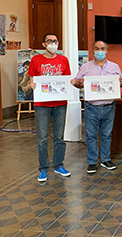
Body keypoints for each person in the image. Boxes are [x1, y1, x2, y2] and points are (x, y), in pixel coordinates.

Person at [71, 41, 122, 174]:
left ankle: (106, 159)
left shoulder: (114, 66)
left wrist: (121, 82)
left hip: (109, 106)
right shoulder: (85, 67)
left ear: (106, 50)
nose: (99, 51)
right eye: (97, 49)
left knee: (106, 135)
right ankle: (92, 162)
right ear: (92, 50)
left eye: (102, 49)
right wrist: (78, 83)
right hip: (91, 107)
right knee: (91, 136)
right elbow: (77, 83)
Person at [28, 33, 72, 182]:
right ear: (44, 44)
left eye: (55, 41)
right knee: (42, 138)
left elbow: (67, 80)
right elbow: (31, 80)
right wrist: (31, 85)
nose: (53, 43)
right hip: (42, 104)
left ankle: (58, 165)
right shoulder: (36, 60)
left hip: (60, 103)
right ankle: (43, 168)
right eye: (49, 41)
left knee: (59, 137)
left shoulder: (63, 60)